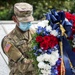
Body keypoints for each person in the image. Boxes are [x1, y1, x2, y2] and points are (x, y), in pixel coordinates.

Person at [1, 2, 36, 75]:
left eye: (29, 21)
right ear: (14, 19)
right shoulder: (8, 41)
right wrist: (44, 63)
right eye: (24, 21)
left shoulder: (35, 33)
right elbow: (22, 65)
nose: (27, 23)